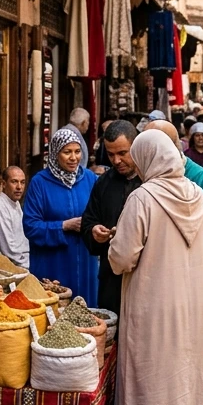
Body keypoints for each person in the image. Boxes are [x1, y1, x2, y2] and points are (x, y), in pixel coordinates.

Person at [108, 130, 203, 405]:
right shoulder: (199, 195)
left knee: (150, 383)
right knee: (187, 380)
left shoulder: (143, 199)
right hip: (194, 306)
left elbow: (121, 257)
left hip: (153, 305)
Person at [23, 128, 100, 306]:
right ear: (55, 153)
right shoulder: (40, 183)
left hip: (85, 263)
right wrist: (64, 226)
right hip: (53, 263)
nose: (73, 158)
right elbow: (30, 226)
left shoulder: (90, 179)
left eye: (77, 151)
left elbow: (100, 214)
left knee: (85, 312)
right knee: (57, 314)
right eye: (67, 152)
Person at [81, 121, 141, 316]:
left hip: (143, 279)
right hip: (110, 280)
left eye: (122, 153)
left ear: (137, 146)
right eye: (110, 154)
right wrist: (94, 232)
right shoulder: (104, 183)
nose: (116, 161)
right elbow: (88, 220)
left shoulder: (151, 181)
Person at [0, 165, 30, 269]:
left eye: (22, 182)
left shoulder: (14, 203)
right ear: (4, 184)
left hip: (19, 263)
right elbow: (10, 251)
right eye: (14, 182)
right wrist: (31, 265)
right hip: (3, 269)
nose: (19, 187)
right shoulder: (0, 208)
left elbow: (22, 240)